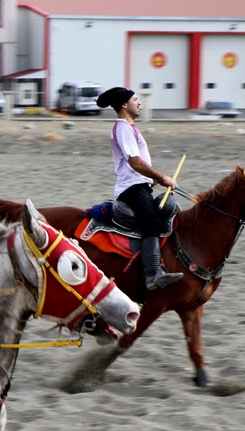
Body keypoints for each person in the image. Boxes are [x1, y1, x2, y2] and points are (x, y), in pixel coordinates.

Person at [96, 86, 183, 291]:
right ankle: (152, 274)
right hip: (131, 188)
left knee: (168, 209)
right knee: (151, 219)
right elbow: (135, 162)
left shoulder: (131, 127)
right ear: (125, 105)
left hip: (141, 186)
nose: (140, 102)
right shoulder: (123, 128)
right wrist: (162, 177)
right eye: (136, 99)